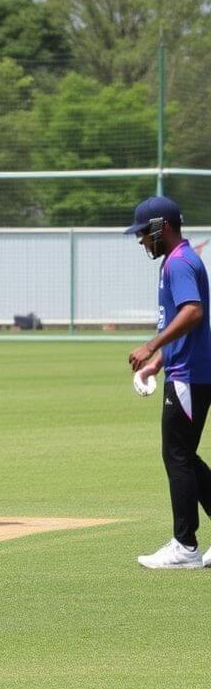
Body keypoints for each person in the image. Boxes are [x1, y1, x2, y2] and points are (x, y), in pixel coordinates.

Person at [126, 196, 211, 569]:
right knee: (184, 456)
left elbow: (193, 312)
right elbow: (181, 325)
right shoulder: (177, 261)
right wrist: (156, 363)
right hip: (185, 370)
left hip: (190, 375)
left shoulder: (179, 263)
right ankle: (187, 542)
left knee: (176, 456)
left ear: (162, 227)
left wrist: (150, 346)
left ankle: (185, 545)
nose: (142, 240)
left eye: (145, 232)